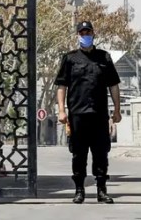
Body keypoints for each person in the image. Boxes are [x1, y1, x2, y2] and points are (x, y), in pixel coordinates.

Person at [56, 21, 123, 204]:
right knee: (79, 154)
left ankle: (102, 190)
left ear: (94, 34)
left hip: (99, 115)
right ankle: (79, 190)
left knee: (101, 154)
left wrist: (117, 110)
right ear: (78, 35)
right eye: (82, 33)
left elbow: (113, 85)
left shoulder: (104, 57)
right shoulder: (70, 59)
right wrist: (61, 110)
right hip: (77, 115)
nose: (85, 35)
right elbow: (62, 86)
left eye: (88, 32)